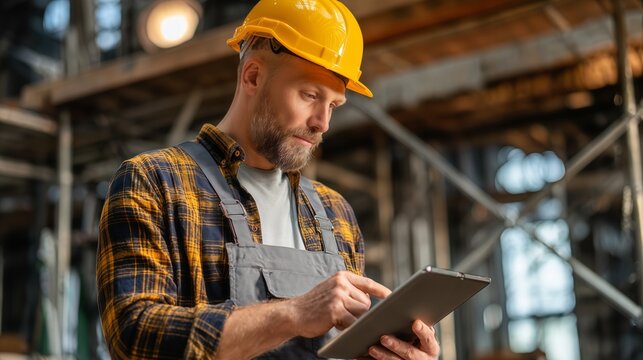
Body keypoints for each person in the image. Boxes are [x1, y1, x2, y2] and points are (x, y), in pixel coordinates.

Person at [96, 0, 441, 359]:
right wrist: (294, 313)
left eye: (334, 105)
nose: (322, 122)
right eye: (310, 95)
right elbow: (133, 337)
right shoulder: (153, 183)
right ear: (253, 76)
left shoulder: (335, 213)